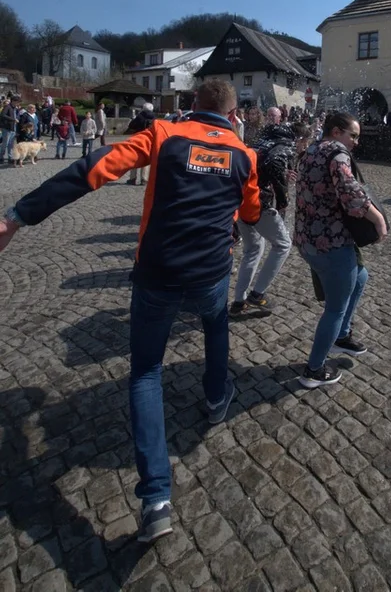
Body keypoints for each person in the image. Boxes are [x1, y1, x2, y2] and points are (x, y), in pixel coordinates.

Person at [0, 79, 260, 543]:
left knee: (145, 373)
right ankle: (217, 398)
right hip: (210, 271)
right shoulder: (245, 155)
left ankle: (156, 499)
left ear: (192, 105)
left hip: (158, 271)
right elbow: (253, 210)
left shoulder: (163, 134)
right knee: (215, 327)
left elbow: (93, 167)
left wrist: (19, 215)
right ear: (233, 112)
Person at [295, 111, 387, 389]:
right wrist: (378, 219)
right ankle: (313, 370)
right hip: (330, 244)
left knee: (360, 277)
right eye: (353, 135)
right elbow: (350, 193)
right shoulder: (337, 152)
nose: (355, 142)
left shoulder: (311, 150)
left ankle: (342, 335)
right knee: (335, 308)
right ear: (336, 132)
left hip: (307, 239)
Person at [230, 123, 297, 318]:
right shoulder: (279, 146)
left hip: (242, 203)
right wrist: (283, 198)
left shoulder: (256, 145)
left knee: (253, 250)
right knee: (283, 245)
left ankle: (238, 302)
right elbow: (275, 163)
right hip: (260, 204)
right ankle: (257, 294)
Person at [126, 103, 156, 185]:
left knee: (134, 159)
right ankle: (144, 179)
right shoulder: (154, 118)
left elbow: (131, 125)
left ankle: (132, 178)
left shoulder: (139, 116)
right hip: (149, 140)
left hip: (138, 139)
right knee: (146, 159)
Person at [0, 94, 20, 163]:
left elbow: (16, 116)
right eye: (17, 101)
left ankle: (10, 157)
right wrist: (13, 119)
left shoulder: (15, 108)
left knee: (11, 144)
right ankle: (1, 157)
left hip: (13, 128)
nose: (18, 103)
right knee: (5, 144)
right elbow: (2, 115)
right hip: (6, 128)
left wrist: (16, 118)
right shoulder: (7, 107)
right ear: (13, 101)